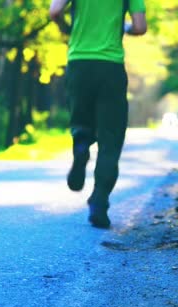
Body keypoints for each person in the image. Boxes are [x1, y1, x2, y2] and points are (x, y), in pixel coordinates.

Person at [50, 0, 147, 228]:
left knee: (81, 122)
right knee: (110, 139)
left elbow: (55, 11)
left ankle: (81, 145)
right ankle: (99, 202)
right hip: (110, 66)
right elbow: (140, 27)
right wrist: (125, 29)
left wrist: (68, 29)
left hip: (79, 63)